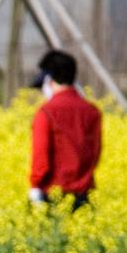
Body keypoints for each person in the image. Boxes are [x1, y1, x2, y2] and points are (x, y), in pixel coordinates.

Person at [29, 50, 102, 212]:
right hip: (85, 196)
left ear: (49, 80)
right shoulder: (92, 111)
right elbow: (95, 155)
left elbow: (41, 157)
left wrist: (35, 186)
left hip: (51, 195)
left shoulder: (46, 112)